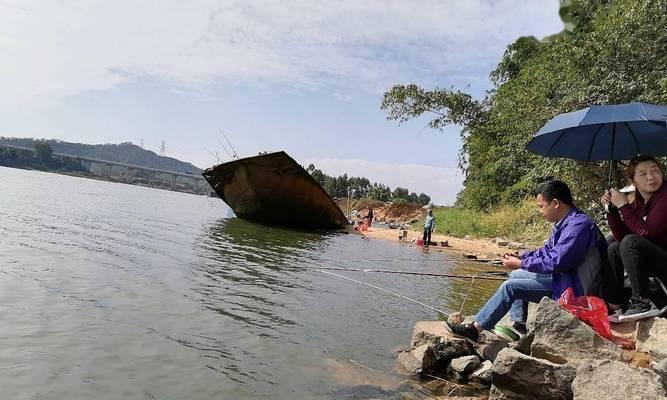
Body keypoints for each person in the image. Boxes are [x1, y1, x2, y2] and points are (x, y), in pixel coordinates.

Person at [447, 180, 606, 342]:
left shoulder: (579, 226)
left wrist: (522, 263)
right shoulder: (565, 222)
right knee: (516, 274)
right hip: (564, 276)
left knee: (511, 287)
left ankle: (475, 328)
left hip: (574, 286)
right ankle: (519, 324)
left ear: (556, 203)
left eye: (541, 206)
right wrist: (522, 257)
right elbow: (546, 252)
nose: (539, 211)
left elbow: (556, 262)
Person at [601, 154, 667, 322]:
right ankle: (616, 304)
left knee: (631, 242)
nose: (651, 177)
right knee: (614, 246)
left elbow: (646, 232)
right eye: (643, 174)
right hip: (654, 258)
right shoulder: (639, 202)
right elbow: (622, 237)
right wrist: (612, 210)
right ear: (633, 181)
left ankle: (642, 302)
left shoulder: (665, 196)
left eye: (655, 171)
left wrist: (623, 205)